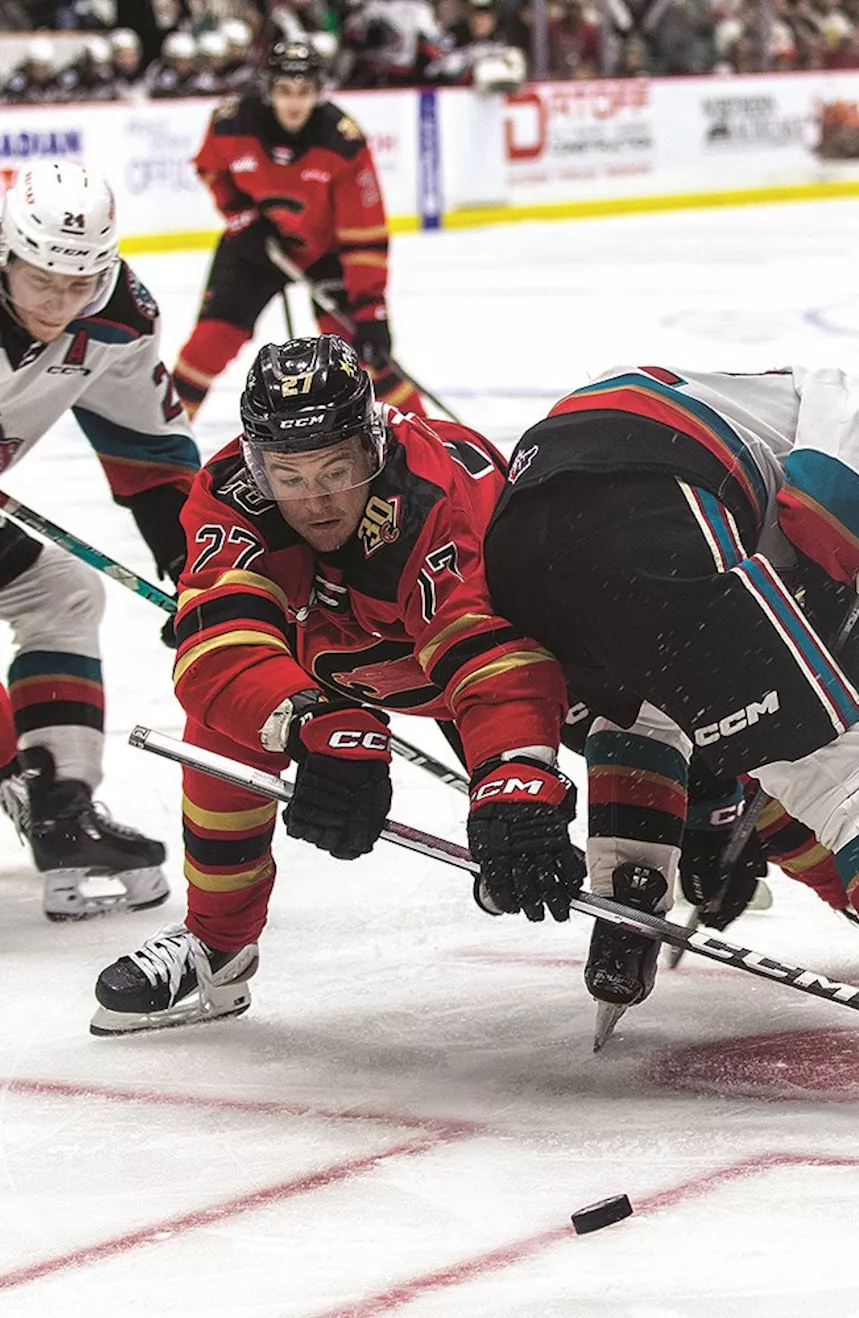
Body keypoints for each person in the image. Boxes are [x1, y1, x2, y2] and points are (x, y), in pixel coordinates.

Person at [479, 364, 859, 1128]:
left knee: (639, 712)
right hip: (649, 491)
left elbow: (708, 669)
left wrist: (719, 796)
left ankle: (626, 912)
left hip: (528, 523)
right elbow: (828, 515)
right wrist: (786, 718)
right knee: (847, 769)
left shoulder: (782, 410)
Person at [91, 334, 580, 1035]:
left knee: (636, 717)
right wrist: (309, 722)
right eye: (289, 477)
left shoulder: (431, 490)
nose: (314, 502)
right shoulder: (231, 490)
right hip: (340, 664)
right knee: (226, 725)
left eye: (335, 471)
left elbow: (489, 655)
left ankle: (699, 819)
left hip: (494, 652)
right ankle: (217, 949)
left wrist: (514, 779)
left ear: (371, 446)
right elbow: (215, 645)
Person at [0, 160, 201, 919]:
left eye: (77, 284)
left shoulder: (115, 318)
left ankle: (62, 807)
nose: (59, 303)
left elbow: (151, 455)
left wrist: (197, 573)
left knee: (59, 590)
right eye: (40, 281)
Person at [172, 38, 427, 422]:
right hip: (256, 247)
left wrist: (370, 310)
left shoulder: (341, 141)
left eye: (305, 92)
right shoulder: (231, 123)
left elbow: (365, 235)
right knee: (208, 346)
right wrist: (243, 218)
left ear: (319, 92)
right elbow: (211, 169)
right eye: (285, 91)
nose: (295, 103)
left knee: (363, 354)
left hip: (325, 254)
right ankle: (163, 445)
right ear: (268, 88)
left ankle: (432, 440)